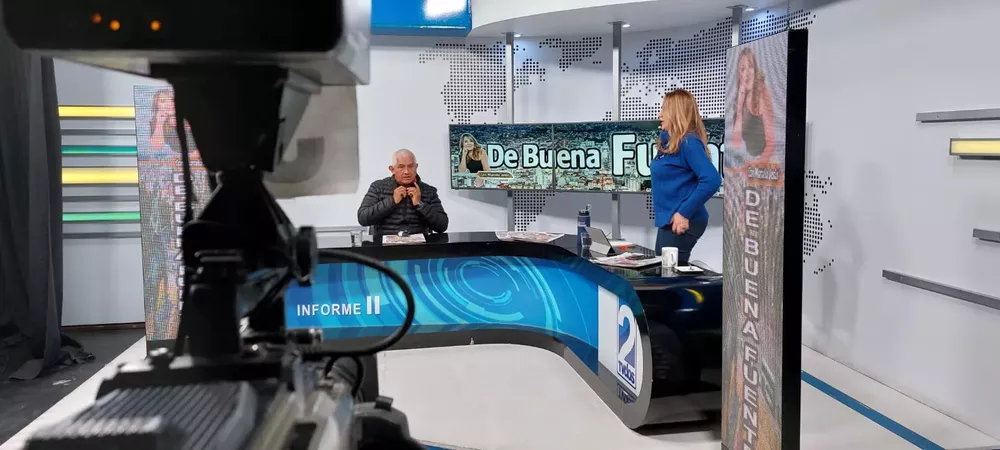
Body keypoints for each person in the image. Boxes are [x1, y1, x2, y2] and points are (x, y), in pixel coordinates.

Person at [650, 89, 722, 265]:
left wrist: (683, 213)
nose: (660, 115)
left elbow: (712, 180)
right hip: (669, 219)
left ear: (676, 112)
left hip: (683, 219)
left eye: (664, 110)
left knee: (670, 275)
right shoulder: (670, 144)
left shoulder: (688, 142)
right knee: (662, 269)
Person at [358, 149, 449, 236]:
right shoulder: (378, 187)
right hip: (385, 244)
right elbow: (362, 218)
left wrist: (420, 204)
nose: (406, 172)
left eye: (410, 166)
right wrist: (392, 200)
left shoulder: (428, 191)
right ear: (392, 169)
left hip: (420, 244)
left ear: (416, 167)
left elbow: (442, 226)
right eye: (401, 167)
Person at [731, 47, 775, 160]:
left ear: (755, 69)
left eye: (750, 66)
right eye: (742, 69)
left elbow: (771, 143)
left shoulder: (762, 93)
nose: (747, 73)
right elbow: (736, 143)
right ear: (739, 75)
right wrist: (739, 106)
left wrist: (757, 164)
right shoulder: (740, 98)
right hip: (750, 161)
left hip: (766, 161)